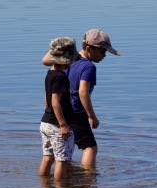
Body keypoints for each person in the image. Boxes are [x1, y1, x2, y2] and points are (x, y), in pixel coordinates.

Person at [42, 29, 121, 170]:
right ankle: (88, 179)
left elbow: (45, 61)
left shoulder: (65, 60)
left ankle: (57, 179)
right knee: (90, 147)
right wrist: (92, 117)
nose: (104, 56)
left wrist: (62, 45)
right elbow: (83, 93)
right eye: (102, 52)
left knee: (55, 152)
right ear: (89, 49)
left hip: (61, 112)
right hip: (77, 112)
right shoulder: (89, 67)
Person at [39, 37, 78, 180]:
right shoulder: (61, 77)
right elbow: (56, 103)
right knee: (61, 160)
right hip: (57, 125)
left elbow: (47, 99)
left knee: (47, 158)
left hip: (45, 122)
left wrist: (49, 110)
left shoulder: (50, 73)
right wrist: (63, 125)